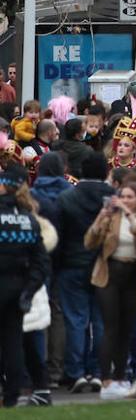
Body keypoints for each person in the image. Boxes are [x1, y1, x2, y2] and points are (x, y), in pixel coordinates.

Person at [83, 179, 136, 399]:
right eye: (122, 197)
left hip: (133, 275)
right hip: (109, 274)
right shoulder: (111, 217)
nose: (125, 201)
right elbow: (90, 242)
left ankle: (121, 376)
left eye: (130, 197)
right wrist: (101, 217)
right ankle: (106, 379)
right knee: (110, 327)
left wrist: (130, 215)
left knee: (127, 329)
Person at [54, 152, 114, 394]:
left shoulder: (67, 197)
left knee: (75, 320)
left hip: (72, 265)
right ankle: (99, 371)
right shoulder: (113, 199)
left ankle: (76, 371)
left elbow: (59, 235)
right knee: (101, 321)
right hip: (104, 265)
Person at [0, 164, 52, 410]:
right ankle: (12, 396)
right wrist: (29, 290)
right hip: (19, 286)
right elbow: (42, 261)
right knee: (13, 343)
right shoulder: (29, 219)